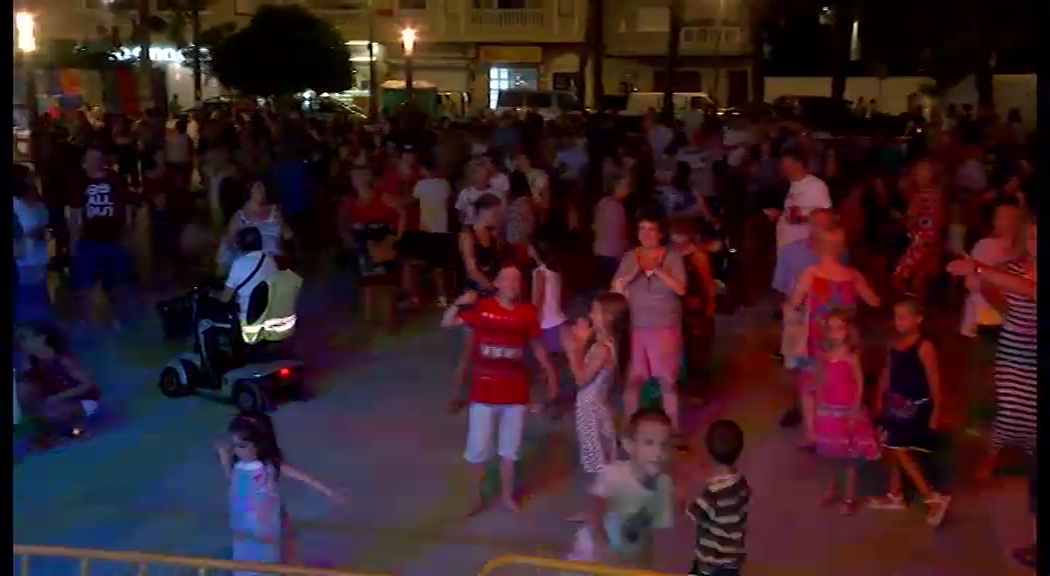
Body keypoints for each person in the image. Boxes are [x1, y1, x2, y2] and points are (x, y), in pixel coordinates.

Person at [440, 263, 558, 512]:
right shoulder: (483, 309)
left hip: (515, 394)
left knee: (510, 449)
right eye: (507, 279)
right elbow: (447, 322)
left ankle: (507, 496)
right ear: (497, 283)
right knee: (478, 449)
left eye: (517, 279)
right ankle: (475, 496)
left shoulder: (527, 312)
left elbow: (536, 346)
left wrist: (550, 373)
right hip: (483, 393)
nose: (512, 284)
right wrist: (461, 301)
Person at [947, 216, 1037, 487]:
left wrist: (977, 267)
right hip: (1014, 348)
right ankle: (992, 457)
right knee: (1010, 405)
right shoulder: (1011, 268)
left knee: (1032, 408)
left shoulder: (1010, 274)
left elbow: (1029, 290)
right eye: (1033, 237)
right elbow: (985, 284)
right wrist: (1003, 310)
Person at [786, 225, 880, 447]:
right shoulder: (852, 275)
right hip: (845, 343)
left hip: (817, 342)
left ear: (816, 246)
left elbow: (794, 303)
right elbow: (875, 301)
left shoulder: (810, 273)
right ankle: (843, 430)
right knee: (845, 384)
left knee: (811, 388)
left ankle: (812, 434)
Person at [214, 413, 344, 573]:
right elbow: (233, 481)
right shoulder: (239, 466)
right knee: (245, 558)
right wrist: (224, 458)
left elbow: (303, 477)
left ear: (258, 445)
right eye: (233, 446)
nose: (236, 451)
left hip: (264, 526)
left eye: (242, 446)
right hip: (242, 524)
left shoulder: (269, 467)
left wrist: (329, 492)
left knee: (265, 558)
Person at [868, 298, 951, 527]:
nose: (899, 321)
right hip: (894, 404)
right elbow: (887, 371)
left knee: (899, 448)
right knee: (891, 446)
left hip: (915, 407)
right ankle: (895, 494)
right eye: (896, 316)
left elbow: (935, 380)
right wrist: (878, 397)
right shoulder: (894, 343)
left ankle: (931, 496)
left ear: (918, 319)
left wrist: (937, 410)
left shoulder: (924, 346)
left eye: (904, 316)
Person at [567, 408, 674, 568]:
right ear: (629, 445)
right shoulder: (613, 476)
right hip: (593, 552)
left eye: (663, 445)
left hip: (627, 553)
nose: (658, 452)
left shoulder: (664, 485)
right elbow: (595, 517)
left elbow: (652, 533)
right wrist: (605, 551)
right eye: (649, 443)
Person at [612, 212, 687, 434]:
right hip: (637, 328)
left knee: (667, 383)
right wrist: (633, 272)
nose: (646, 233)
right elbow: (615, 289)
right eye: (642, 228)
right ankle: (630, 428)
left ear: (660, 233)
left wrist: (657, 269)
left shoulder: (672, 256)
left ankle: (673, 430)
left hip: (665, 327)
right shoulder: (630, 257)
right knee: (633, 381)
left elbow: (681, 289)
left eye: (651, 228)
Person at [810, 310, 881, 515]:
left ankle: (849, 497)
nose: (835, 332)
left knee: (849, 456)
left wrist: (855, 410)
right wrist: (817, 408)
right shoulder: (824, 355)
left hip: (847, 410)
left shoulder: (851, 355)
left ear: (848, 331)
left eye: (839, 328)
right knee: (830, 454)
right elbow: (820, 381)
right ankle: (830, 489)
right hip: (827, 410)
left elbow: (859, 384)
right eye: (831, 328)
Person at [562, 292, 630, 477]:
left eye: (595, 311)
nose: (590, 315)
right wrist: (583, 340)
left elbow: (581, 378)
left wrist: (572, 350)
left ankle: (605, 502)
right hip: (596, 404)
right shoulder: (607, 342)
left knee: (600, 464)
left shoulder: (602, 349)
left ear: (607, 317)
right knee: (604, 458)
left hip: (591, 409)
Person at [67, 144, 134, 328]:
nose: (94, 162)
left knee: (115, 281)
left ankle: (115, 318)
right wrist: (73, 241)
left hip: (114, 238)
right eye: (90, 158)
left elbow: (127, 207)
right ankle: (85, 319)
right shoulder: (78, 181)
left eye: (97, 158)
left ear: (104, 160)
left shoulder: (116, 179)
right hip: (88, 238)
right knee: (85, 283)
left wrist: (127, 233)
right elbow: (75, 213)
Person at [769, 149, 833, 310]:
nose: (782, 167)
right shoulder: (792, 186)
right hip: (787, 244)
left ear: (798, 164)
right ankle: (791, 309)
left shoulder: (816, 186)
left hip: (804, 246)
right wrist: (780, 215)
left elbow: (825, 214)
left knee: (804, 282)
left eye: (786, 163)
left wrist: (801, 219)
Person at [16, 323, 101, 443]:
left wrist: (59, 397)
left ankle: (77, 427)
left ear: (42, 339)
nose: (22, 344)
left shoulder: (63, 360)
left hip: (83, 400)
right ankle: (55, 426)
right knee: (23, 390)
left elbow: (87, 385)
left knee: (51, 413)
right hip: (58, 398)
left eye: (25, 339)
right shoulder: (34, 362)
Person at [687, 419, 749, 576]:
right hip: (732, 557)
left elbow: (692, 512)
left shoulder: (711, 496)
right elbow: (725, 490)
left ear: (708, 452)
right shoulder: (741, 483)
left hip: (711, 560)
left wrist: (681, 495)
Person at [959, 201, 1023, 337]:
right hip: (988, 316)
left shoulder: (1022, 248)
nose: (1010, 222)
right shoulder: (987, 246)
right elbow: (975, 283)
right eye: (1005, 217)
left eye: (1014, 218)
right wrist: (1005, 310)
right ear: (995, 221)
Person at [220, 180, 293, 271]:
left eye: (263, 188)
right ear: (249, 191)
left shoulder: (274, 211)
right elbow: (228, 242)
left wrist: (282, 225)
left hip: (275, 259)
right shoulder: (239, 216)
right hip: (251, 263)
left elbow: (288, 235)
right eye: (258, 188)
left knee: (293, 280)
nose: (262, 191)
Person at [214, 227, 279, 325]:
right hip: (270, 315)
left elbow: (225, 298)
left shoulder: (239, 264)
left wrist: (212, 293)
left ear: (240, 244)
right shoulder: (270, 261)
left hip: (249, 319)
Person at [14, 165, 52, 324]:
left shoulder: (38, 203)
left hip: (38, 259)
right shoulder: (15, 205)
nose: (33, 179)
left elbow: (45, 227)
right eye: (29, 176)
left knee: (38, 300)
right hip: (22, 261)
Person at [530, 240, 568, 357]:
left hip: (546, 324)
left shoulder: (540, 273)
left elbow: (537, 300)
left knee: (545, 363)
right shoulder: (556, 272)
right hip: (559, 320)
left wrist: (533, 323)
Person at [593, 176, 630, 288]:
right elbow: (618, 231)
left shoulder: (603, 202)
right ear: (616, 188)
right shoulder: (616, 207)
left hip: (599, 249)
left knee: (602, 282)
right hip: (612, 253)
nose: (628, 189)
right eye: (625, 186)